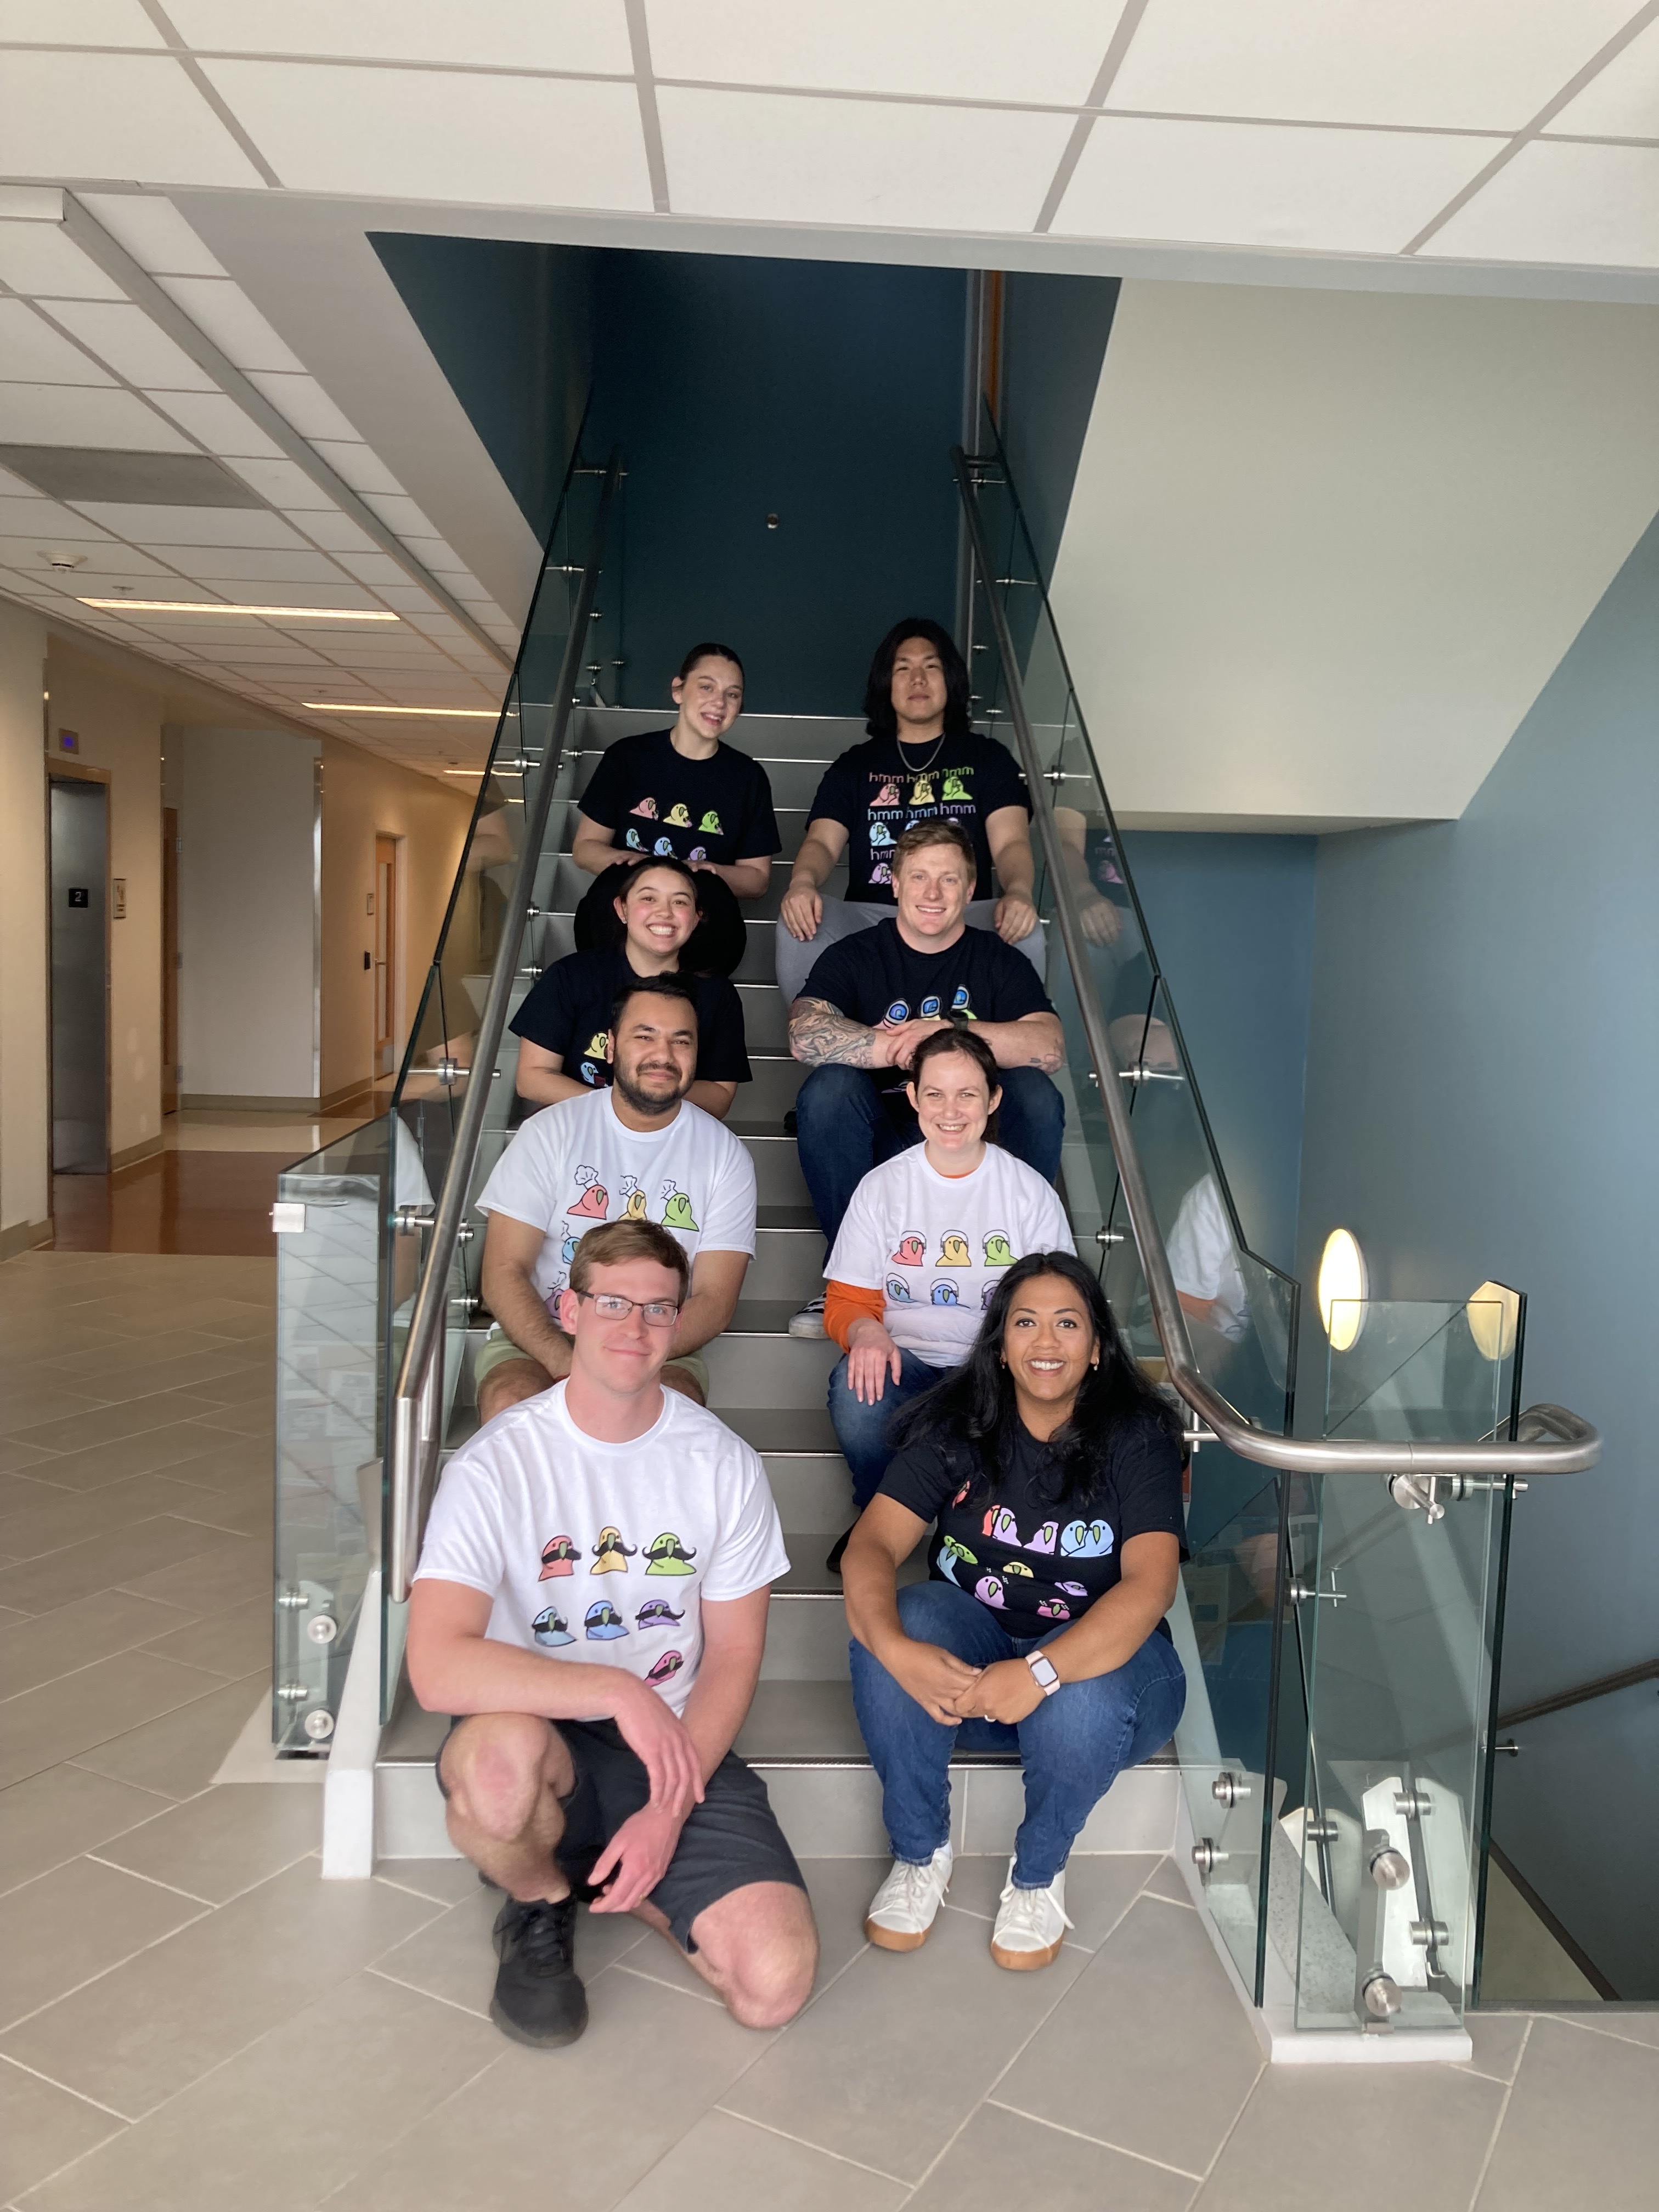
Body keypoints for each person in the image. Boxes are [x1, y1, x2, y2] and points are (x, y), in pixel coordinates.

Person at [408, 1216, 817, 2047]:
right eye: (614, 1303)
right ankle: (542, 1898)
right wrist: (614, 1689)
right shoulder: (494, 1463)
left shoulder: (723, 1463)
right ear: (569, 1309)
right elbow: (436, 1666)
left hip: (670, 1737)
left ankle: (615, 1865)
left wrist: (666, 1814)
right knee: (497, 1774)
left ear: (679, 1323)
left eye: (659, 1308)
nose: (636, 1326)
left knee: (772, 1988)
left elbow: (736, 1654)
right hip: (533, 1727)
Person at [842, 1251, 1188, 1969]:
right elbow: (871, 1546)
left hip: (1107, 1690)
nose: (1046, 1341)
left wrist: (1038, 1672)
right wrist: (897, 1650)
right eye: (1026, 1323)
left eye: (1068, 1324)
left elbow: (1150, 1587)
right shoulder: (958, 1426)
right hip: (975, 1676)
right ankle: (919, 1855)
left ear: (1097, 1348)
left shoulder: (1138, 1437)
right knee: (901, 1618)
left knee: (1081, 1688)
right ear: (1000, 1345)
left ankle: (1037, 1875)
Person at [786, 819, 1064, 1336]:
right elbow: (805, 1034)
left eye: (948, 879)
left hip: (971, 1134)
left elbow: (1048, 1046)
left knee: (1036, 1093)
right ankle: (854, 1282)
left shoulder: (997, 960)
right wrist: (899, 1046)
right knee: (827, 1091)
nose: (932, 893)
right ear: (895, 884)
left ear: (971, 889)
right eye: (919, 877)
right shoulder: (857, 954)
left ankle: (1022, 1285)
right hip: (883, 1134)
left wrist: (949, 1032)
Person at [821, 1025, 1073, 1568]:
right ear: (913, 1097)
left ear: (994, 1099)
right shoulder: (882, 1188)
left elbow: (1061, 1307)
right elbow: (846, 1302)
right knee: (855, 1391)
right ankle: (879, 1516)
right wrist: (865, 1332)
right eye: (935, 1094)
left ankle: (968, 1524)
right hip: (906, 1362)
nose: (951, 1111)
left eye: (967, 1095)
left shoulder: (1029, 1193)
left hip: (994, 1368)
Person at [474, 979, 756, 1421]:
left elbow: (715, 1300)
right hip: (544, 1331)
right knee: (512, 1402)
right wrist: (568, 1364)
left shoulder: (725, 1155)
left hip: (657, 1341)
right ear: (610, 1048)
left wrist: (635, 1352)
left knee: (673, 1410)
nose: (663, 1055)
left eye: (681, 1041)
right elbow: (503, 1272)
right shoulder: (549, 1132)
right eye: (644, 1037)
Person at [776, 618, 1042, 1002]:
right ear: (887, 683)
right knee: (799, 923)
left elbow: (1011, 843)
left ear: (950, 680)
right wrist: (801, 883)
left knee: (1026, 927)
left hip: (961, 914)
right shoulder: (855, 765)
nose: (918, 679)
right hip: (873, 916)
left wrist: (1019, 891)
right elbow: (821, 843)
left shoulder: (989, 759)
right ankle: (817, 1035)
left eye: (931, 666)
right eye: (904, 669)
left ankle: (1015, 1038)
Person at [572, 643, 779, 976]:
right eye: (707, 687)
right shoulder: (628, 757)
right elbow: (585, 848)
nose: (719, 703)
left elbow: (757, 880)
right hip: (621, 926)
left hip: (700, 936)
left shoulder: (748, 777)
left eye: (732, 695)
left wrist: (705, 870)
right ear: (678, 690)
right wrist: (644, 867)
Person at [511, 856, 750, 1121]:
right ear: (622, 908)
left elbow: (719, 1096)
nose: (665, 912)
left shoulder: (717, 993)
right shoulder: (571, 976)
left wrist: (646, 1103)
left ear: (695, 919)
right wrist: (617, 1111)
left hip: (668, 1130)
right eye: (649, 898)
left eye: (680, 902)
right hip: (579, 1122)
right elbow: (532, 1077)